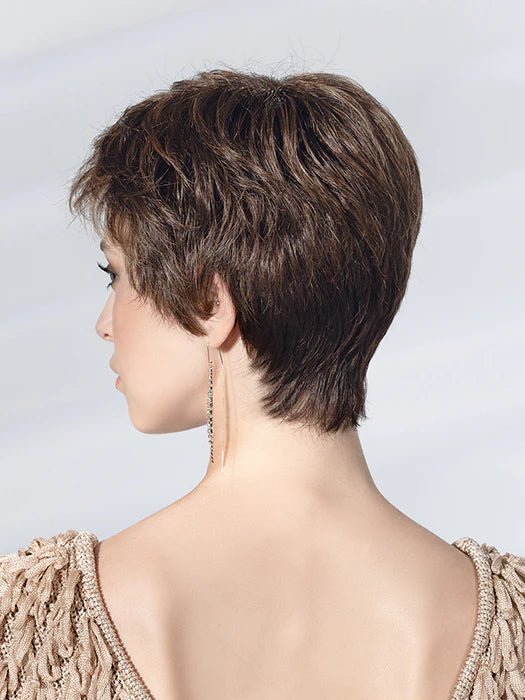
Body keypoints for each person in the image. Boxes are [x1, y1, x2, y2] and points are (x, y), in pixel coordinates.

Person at [1, 68, 523, 700]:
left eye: (115, 275)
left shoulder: (42, 623)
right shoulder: (509, 625)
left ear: (208, 301)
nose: (104, 324)